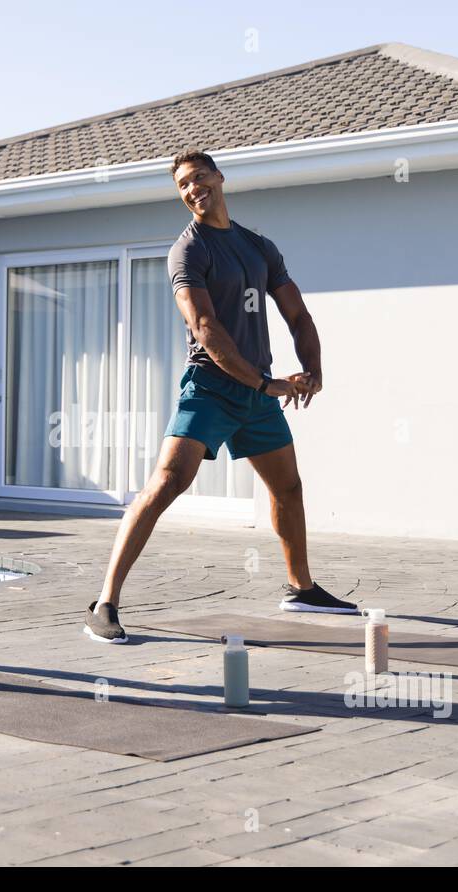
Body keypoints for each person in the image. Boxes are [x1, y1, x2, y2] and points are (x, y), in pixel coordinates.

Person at [84, 149, 358, 644]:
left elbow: (298, 315)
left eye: (199, 178)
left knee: (288, 489)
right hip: (210, 388)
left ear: (220, 178)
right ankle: (104, 602)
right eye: (183, 185)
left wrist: (313, 369)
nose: (192, 190)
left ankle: (301, 586)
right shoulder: (187, 251)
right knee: (166, 484)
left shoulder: (258, 247)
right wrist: (264, 383)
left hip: (257, 394)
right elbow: (206, 328)